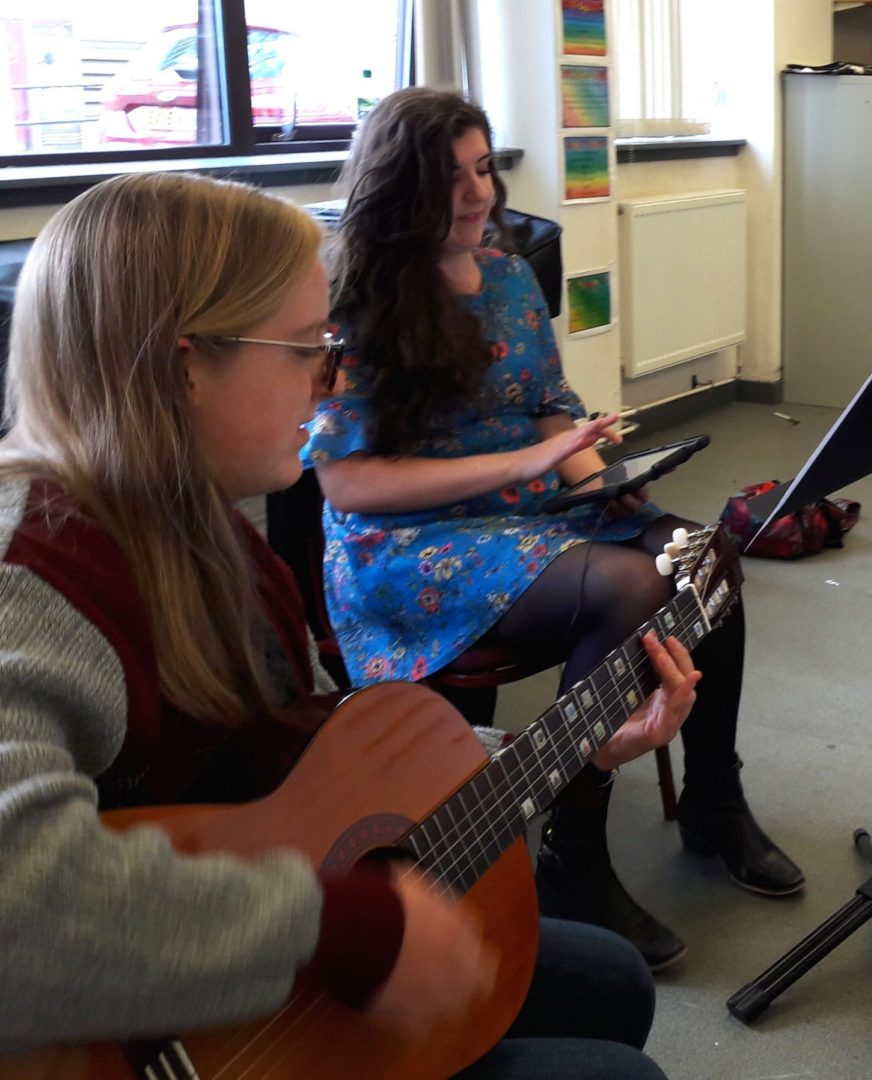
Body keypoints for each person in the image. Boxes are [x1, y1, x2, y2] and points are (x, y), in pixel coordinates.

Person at [0, 171, 701, 1079]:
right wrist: (350, 932)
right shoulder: (33, 576)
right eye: (306, 349)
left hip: (238, 976)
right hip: (119, 1022)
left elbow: (301, 769)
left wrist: (572, 747)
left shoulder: (213, 540)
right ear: (184, 365)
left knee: (608, 982)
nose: (329, 384)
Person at [303, 86, 803, 972]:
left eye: (483, 168)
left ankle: (714, 801)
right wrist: (531, 470)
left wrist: (603, 481)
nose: (479, 194)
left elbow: (547, 408)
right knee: (632, 585)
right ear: (396, 187)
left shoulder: (502, 271)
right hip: (409, 547)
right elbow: (350, 480)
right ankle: (574, 853)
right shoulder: (352, 301)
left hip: (526, 511)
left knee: (704, 555)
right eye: (450, 178)